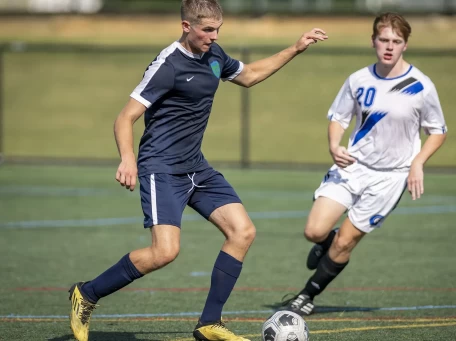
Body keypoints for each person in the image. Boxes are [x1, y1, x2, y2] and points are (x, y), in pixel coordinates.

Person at [68, 1, 327, 341]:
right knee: (165, 252)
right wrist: (128, 159)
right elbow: (124, 118)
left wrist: (295, 48)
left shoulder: (215, 54)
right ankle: (87, 293)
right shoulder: (168, 65)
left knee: (243, 232)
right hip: (161, 169)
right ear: (186, 27)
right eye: (207, 30)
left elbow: (249, 76)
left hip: (196, 166)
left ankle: (209, 323)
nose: (213, 36)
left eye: (218, 29)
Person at [281, 12, 447, 316]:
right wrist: (334, 146)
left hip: (390, 178)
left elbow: (437, 130)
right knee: (314, 232)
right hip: (352, 167)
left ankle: (307, 295)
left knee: (345, 244)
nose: (389, 46)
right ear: (373, 41)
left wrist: (418, 163)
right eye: (383, 39)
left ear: (405, 45)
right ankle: (324, 242)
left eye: (396, 41)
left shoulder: (420, 85)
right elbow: (339, 117)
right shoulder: (358, 80)